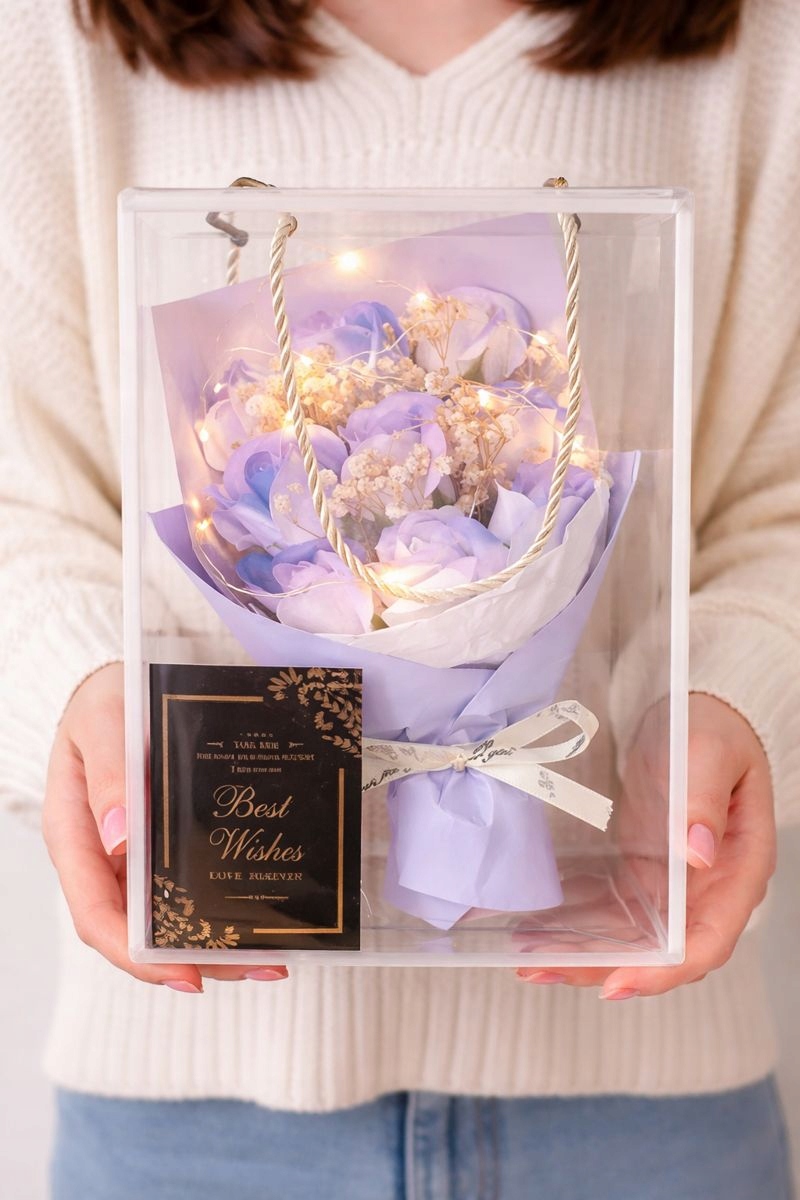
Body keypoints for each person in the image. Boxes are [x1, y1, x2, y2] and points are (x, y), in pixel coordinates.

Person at [0, 0, 797, 1196]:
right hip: (196, 1103)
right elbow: (20, 494)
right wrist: (81, 692)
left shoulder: (760, 39)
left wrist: (731, 699)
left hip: (642, 1096)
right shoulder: (62, 35)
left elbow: (780, 499)